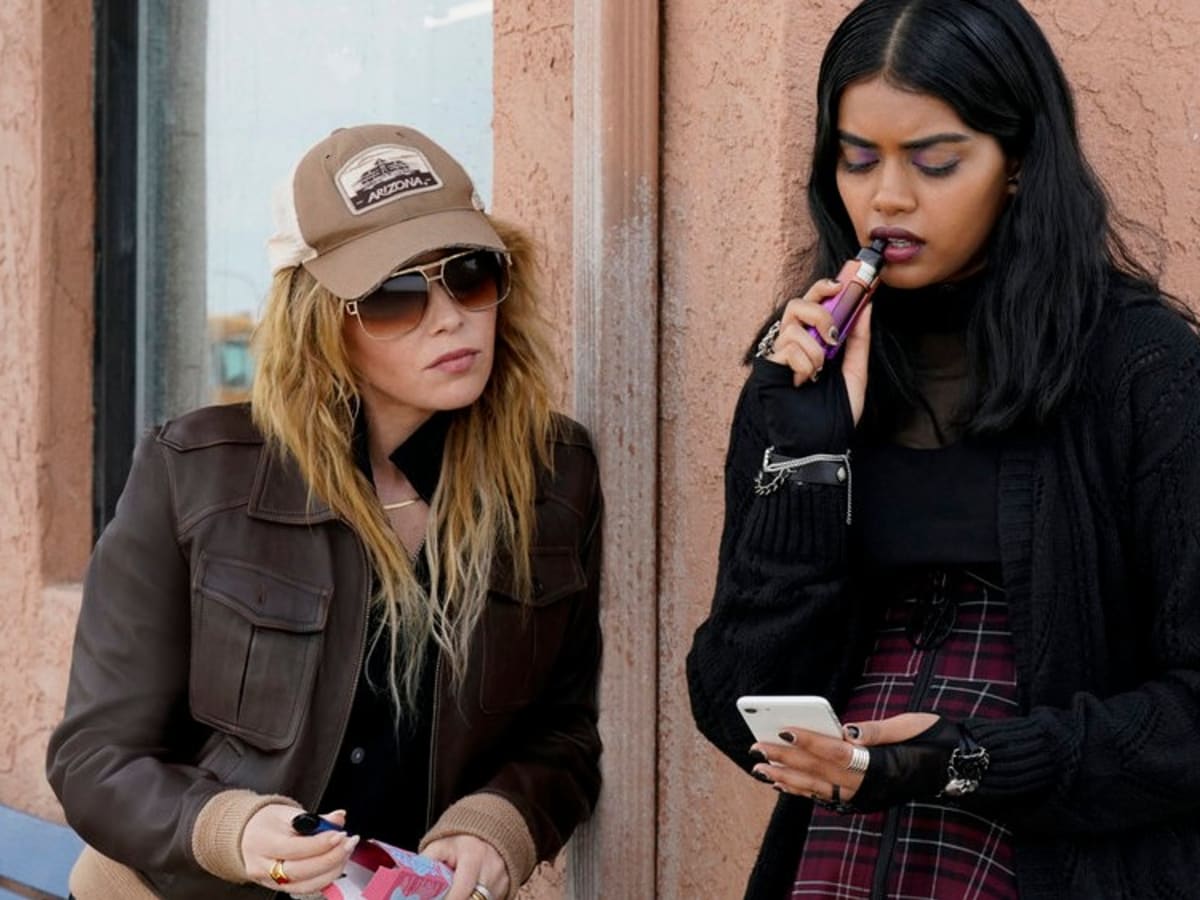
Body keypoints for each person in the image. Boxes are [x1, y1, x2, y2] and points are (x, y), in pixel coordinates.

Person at [687, 1, 1200, 897]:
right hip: (842, 858)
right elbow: (738, 701)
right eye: (856, 159)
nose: (887, 196)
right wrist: (804, 462)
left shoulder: (1143, 368)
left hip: (1053, 859)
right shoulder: (808, 358)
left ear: (1019, 165)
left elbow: (1190, 717)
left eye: (936, 162)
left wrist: (964, 762)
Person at [47, 124, 603, 900]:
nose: (448, 317)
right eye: (395, 294)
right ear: (320, 322)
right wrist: (229, 829)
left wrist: (498, 823)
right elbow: (94, 758)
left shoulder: (553, 475)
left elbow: (565, 731)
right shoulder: (194, 472)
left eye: (469, 275)